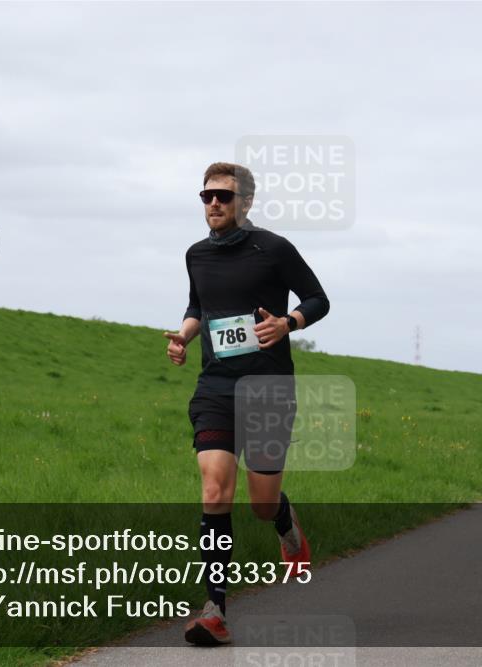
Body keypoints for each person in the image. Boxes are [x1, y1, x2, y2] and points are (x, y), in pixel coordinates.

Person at [164, 162, 329, 645]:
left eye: (223, 196)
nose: (213, 203)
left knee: (259, 503)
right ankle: (214, 609)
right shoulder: (196, 254)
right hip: (215, 387)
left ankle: (284, 522)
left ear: (245, 202)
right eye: (206, 196)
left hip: (269, 389)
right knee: (215, 491)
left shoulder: (273, 249)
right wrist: (184, 337)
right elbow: (199, 306)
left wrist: (288, 323)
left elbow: (318, 298)